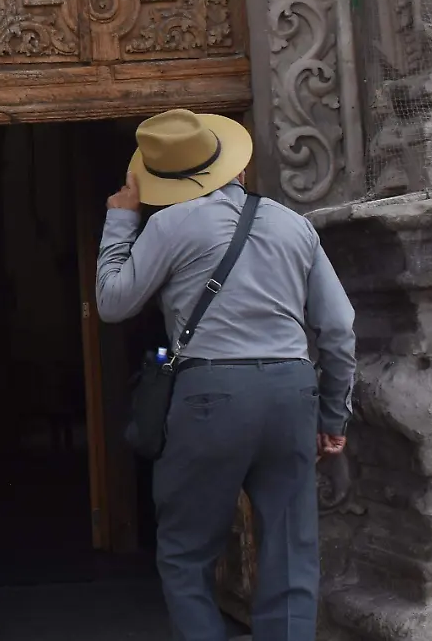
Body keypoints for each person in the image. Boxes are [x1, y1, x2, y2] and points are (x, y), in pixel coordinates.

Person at [96, 109, 357, 641]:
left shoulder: (168, 223)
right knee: (291, 552)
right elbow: (339, 326)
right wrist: (333, 413)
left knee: (186, 553)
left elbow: (112, 302)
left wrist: (122, 219)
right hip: (292, 391)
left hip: (211, 395)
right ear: (233, 168)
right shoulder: (294, 224)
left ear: (163, 181)